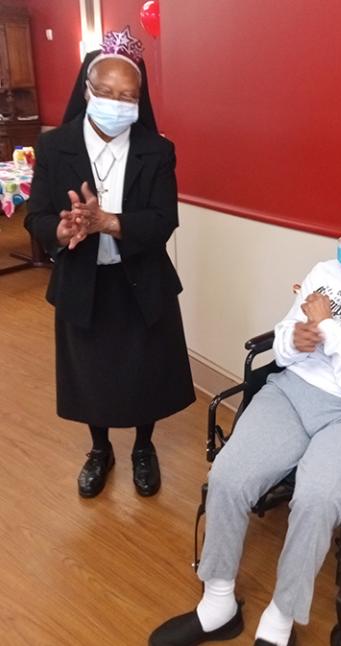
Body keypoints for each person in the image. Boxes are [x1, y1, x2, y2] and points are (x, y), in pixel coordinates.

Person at [148, 196, 341, 646]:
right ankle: (217, 603)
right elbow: (281, 342)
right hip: (295, 392)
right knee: (228, 476)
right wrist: (297, 340)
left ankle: (280, 620)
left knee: (317, 500)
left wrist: (330, 330)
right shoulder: (326, 272)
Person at [25, 26, 195, 499]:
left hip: (140, 279)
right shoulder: (55, 146)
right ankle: (99, 449)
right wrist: (60, 231)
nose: (118, 102)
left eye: (129, 95)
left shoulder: (156, 149)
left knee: (145, 372)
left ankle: (144, 446)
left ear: (140, 99)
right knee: (90, 375)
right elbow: (36, 217)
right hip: (84, 280)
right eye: (107, 92)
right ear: (86, 90)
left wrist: (108, 222)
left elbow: (163, 221)